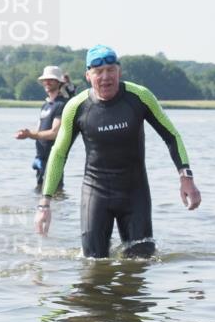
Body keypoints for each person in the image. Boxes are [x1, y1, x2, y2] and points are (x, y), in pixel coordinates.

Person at [35, 44, 202, 257]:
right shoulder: (77, 107)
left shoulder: (139, 97)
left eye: (111, 70)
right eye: (99, 72)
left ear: (119, 71)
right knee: (93, 264)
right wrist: (44, 204)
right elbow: (59, 153)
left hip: (134, 192)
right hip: (96, 192)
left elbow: (172, 135)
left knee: (141, 260)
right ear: (88, 75)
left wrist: (186, 177)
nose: (106, 77)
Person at [15, 65, 68, 193]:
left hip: (54, 158)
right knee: (40, 191)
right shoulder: (45, 105)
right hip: (41, 158)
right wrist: (26, 132)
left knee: (54, 193)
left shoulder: (62, 104)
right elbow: (39, 129)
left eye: (51, 79)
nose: (47, 82)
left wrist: (30, 135)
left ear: (59, 82)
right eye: (45, 80)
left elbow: (54, 133)